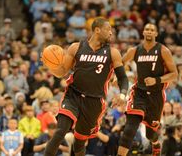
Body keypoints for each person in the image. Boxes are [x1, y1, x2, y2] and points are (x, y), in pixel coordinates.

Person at [43, 17, 129, 156]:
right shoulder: (76, 47)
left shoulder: (113, 53)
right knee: (61, 131)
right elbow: (62, 72)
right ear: (97, 30)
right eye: (108, 29)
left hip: (94, 101)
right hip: (73, 95)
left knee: (79, 142)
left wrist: (123, 94)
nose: (111, 33)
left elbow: (123, 78)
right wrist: (50, 66)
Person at [118, 23, 178, 156]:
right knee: (130, 128)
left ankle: (156, 144)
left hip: (156, 96)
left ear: (156, 34)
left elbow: (174, 74)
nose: (149, 32)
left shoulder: (163, 51)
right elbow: (119, 63)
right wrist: (118, 76)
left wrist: (156, 80)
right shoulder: (134, 50)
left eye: (152, 30)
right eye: (147, 29)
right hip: (139, 93)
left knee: (150, 134)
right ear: (143, 32)